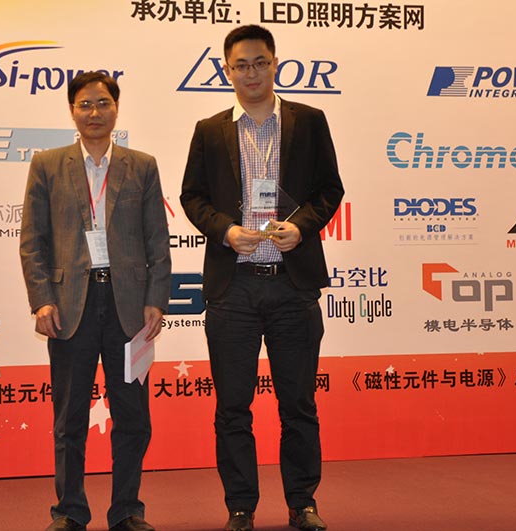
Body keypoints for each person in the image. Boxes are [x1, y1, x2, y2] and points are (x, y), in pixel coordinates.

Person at [180, 25, 344, 531]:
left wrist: (302, 227)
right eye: (240, 65)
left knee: (298, 404)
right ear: (227, 71)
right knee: (233, 407)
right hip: (234, 288)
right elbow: (192, 197)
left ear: (275, 64)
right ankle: (240, 507)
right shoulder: (209, 130)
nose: (251, 73)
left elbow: (329, 190)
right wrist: (226, 231)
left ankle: (302, 504)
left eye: (259, 62)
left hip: (293, 286)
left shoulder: (309, 121)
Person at [20, 71, 171, 531]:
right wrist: (42, 300)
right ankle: (70, 511)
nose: (94, 112)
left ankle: (127, 510)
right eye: (85, 104)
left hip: (128, 308)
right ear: (72, 110)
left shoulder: (142, 166)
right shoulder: (47, 164)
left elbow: (157, 239)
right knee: (69, 418)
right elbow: (32, 240)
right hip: (71, 306)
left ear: (116, 108)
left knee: (133, 417)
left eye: (103, 103)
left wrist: (156, 299)